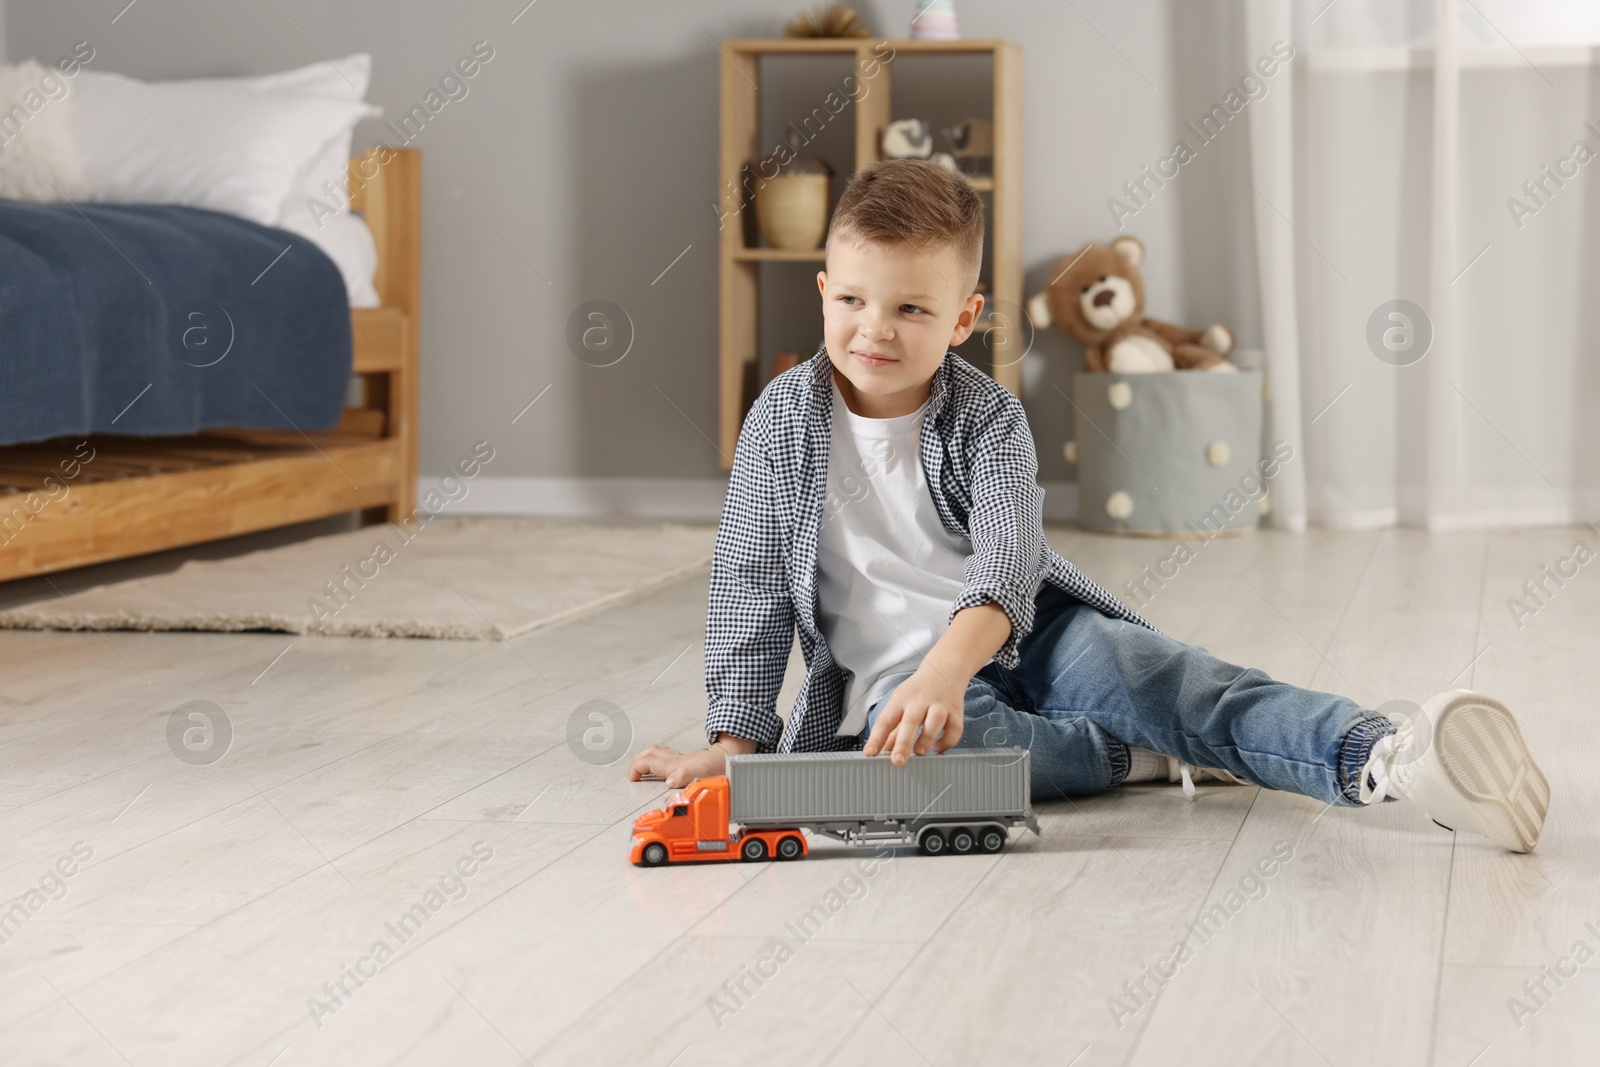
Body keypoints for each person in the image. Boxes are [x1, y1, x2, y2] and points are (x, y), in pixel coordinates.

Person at [628, 160, 1549, 853]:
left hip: (1034, 634)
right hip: (897, 698)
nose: (876, 329)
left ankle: (1385, 756)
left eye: (912, 308)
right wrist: (738, 743)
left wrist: (950, 665)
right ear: (823, 293)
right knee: (914, 766)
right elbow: (747, 590)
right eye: (857, 300)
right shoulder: (782, 424)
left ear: (962, 319)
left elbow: (1003, 564)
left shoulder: (987, 416)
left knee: (1176, 681)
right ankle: (1134, 756)